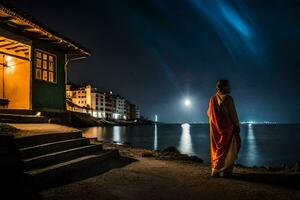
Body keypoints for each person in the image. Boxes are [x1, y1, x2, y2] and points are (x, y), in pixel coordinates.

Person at [207, 80, 241, 177]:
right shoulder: (228, 98)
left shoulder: (212, 99)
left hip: (215, 129)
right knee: (231, 148)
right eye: (228, 86)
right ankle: (227, 171)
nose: (230, 88)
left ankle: (216, 170)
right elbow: (233, 114)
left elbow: (209, 114)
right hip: (227, 129)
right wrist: (237, 126)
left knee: (218, 149)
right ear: (223, 87)